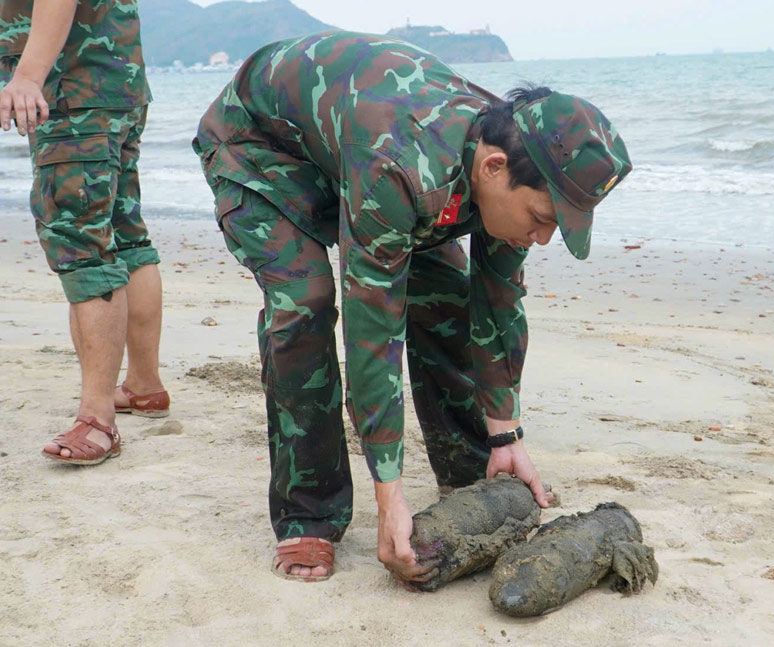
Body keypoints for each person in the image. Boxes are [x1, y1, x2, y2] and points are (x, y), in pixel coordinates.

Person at [193, 31, 631, 585]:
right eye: (542, 219)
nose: (542, 238)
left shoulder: (518, 148)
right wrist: (390, 497)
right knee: (304, 303)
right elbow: (372, 331)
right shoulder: (400, 169)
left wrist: (506, 435)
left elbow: (497, 303)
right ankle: (310, 512)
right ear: (493, 169)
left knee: (447, 294)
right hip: (259, 148)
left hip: (351, 148)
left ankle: (471, 470)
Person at [0, 0, 169, 465]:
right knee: (124, 234)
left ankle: (97, 419)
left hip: (72, 89)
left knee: (82, 248)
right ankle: (142, 386)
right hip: (112, 83)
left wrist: (29, 75)